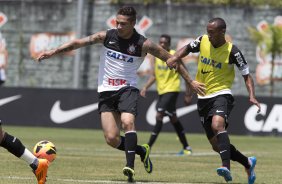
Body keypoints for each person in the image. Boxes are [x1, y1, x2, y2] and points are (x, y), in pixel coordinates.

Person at [36, 6, 205, 183]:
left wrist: (190, 81)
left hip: (128, 89)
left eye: (123, 23)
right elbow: (78, 43)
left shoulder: (144, 44)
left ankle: (129, 166)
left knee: (127, 121)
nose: (118, 26)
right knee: (111, 138)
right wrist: (53, 52)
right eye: (117, 22)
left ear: (133, 23)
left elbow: (173, 61)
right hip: (106, 91)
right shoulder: (106, 36)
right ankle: (141, 151)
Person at [167, 17, 261, 184]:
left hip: (222, 93)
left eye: (211, 32)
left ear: (222, 32)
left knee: (218, 125)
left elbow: (247, 76)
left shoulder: (233, 51)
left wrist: (252, 95)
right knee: (216, 146)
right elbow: (187, 49)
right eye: (207, 31)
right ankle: (247, 162)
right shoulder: (203, 40)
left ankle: (225, 167)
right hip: (203, 97)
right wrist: (175, 57)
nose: (208, 35)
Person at [140, 34, 193, 155]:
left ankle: (148, 146)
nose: (162, 45)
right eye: (161, 42)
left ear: (169, 44)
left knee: (159, 116)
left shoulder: (175, 55)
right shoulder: (155, 56)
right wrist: (145, 87)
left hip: (172, 89)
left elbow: (185, 72)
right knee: (173, 119)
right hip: (162, 91)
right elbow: (154, 75)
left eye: (165, 43)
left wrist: (188, 93)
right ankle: (187, 148)